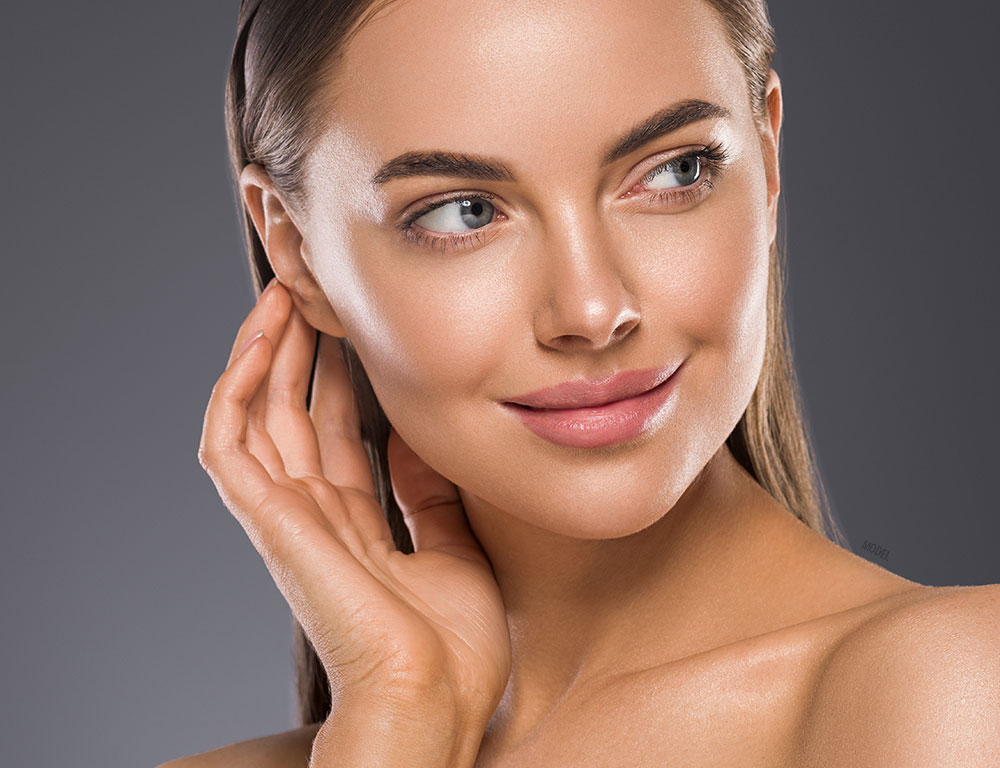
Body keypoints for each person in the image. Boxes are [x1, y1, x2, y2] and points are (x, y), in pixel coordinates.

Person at [163, 0, 1000, 765]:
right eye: (464, 212)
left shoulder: (960, 689)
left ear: (768, 152)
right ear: (296, 250)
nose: (593, 311)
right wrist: (398, 719)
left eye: (674, 171)